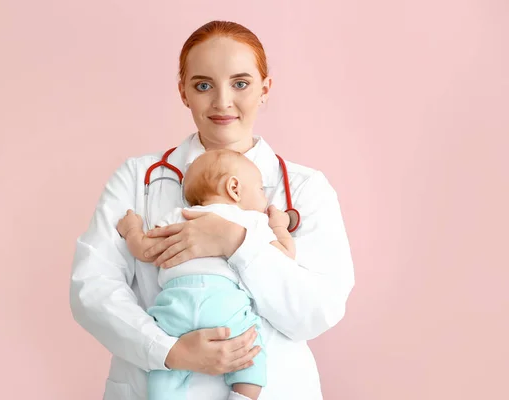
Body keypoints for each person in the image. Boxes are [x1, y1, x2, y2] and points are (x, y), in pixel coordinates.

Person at [70, 20, 355, 400]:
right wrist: (167, 351)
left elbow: (316, 311)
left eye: (241, 83)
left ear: (265, 89)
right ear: (184, 93)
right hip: (152, 382)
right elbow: (93, 287)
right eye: (203, 85)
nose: (222, 102)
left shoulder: (305, 188)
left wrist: (236, 242)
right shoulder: (139, 177)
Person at [115, 148, 296, 400]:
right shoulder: (251, 222)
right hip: (225, 307)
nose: (264, 199)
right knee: (250, 352)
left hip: (174, 308)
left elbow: (145, 250)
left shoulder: (176, 217)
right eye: (260, 190)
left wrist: (132, 230)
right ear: (234, 188)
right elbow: (285, 257)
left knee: (164, 370)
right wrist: (279, 226)